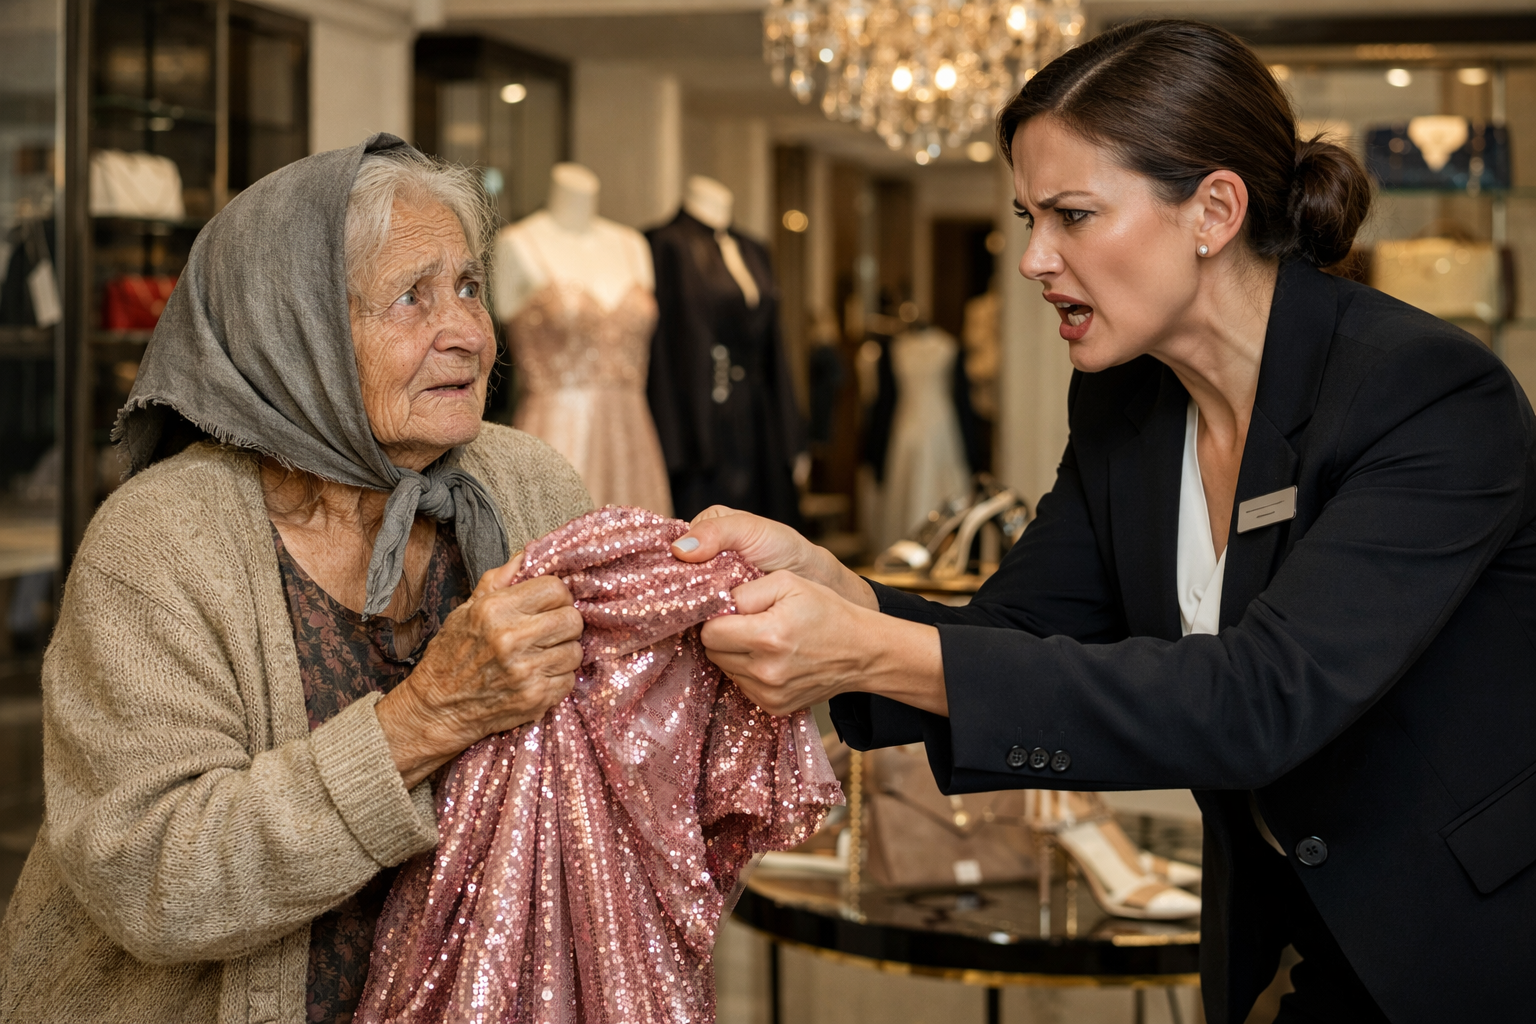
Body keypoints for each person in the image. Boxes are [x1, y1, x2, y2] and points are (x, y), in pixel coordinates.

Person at [670, 20, 1535, 1024]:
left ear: (1214, 210)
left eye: (1073, 215)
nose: (1035, 258)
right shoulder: (1130, 403)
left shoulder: (1425, 392)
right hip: (1302, 938)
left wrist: (867, 650)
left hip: (1478, 943)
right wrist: (842, 591)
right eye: (1028, 217)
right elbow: (1023, 628)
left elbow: (1260, 701)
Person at [0, 135, 591, 1023]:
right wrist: (425, 719)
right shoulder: (159, 543)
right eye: (412, 297)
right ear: (296, 330)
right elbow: (153, 879)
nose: (470, 334)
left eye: (470, 287)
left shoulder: (528, 484)